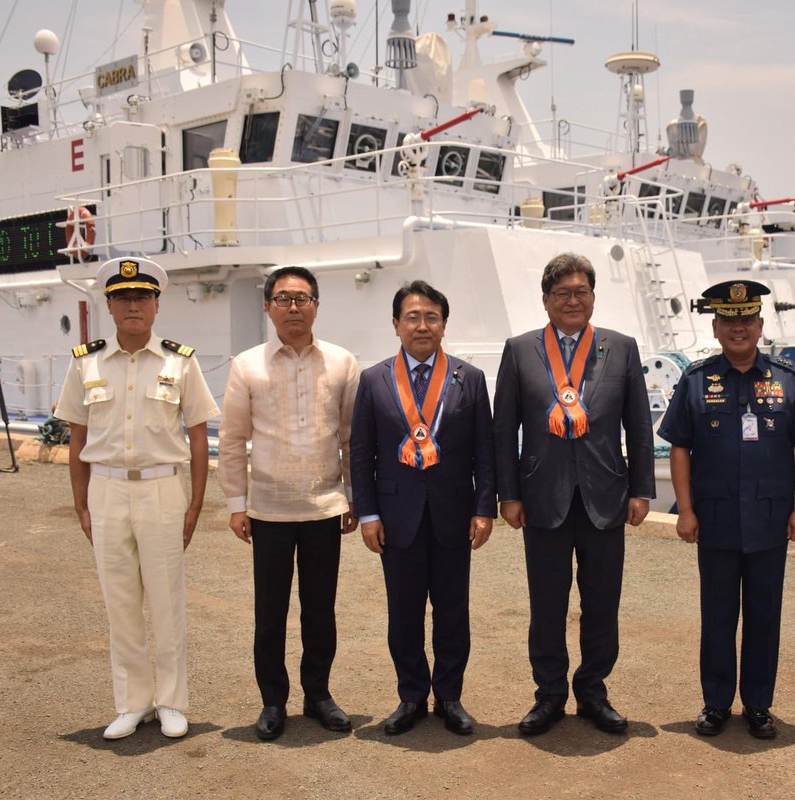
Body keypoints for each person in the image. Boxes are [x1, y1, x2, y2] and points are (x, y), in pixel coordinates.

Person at [657, 280, 795, 739]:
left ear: (760, 324)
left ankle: (758, 705)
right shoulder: (696, 380)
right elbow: (680, 448)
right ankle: (716, 703)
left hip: (770, 521)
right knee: (717, 616)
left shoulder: (788, 379)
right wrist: (685, 510)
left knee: (763, 616)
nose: (739, 328)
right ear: (715, 327)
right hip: (714, 520)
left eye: (747, 320)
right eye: (729, 321)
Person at [493, 252, 655, 736]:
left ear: (593, 297)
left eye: (580, 291)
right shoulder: (519, 350)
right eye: (562, 293)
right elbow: (504, 429)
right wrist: (508, 494)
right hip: (541, 497)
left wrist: (642, 489)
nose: (572, 300)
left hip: (606, 496)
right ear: (546, 300)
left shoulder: (621, 348)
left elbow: (639, 425)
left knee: (602, 602)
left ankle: (592, 691)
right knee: (547, 603)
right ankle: (548, 694)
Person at [57, 256, 218, 740]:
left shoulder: (179, 362)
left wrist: (194, 504)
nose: (133, 305)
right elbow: (77, 437)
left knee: (167, 601)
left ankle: (170, 701)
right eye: (123, 297)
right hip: (106, 489)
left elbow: (197, 437)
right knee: (120, 601)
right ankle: (132, 703)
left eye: (142, 297)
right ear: (109, 305)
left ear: (156, 305)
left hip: (162, 489)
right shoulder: (85, 362)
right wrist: (81, 504)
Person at [217, 266, 361, 741]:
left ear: (316, 305)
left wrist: (353, 497)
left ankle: (318, 695)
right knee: (270, 612)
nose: (293, 307)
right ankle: (273, 701)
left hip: (324, 507)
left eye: (302, 298)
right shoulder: (247, 365)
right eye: (283, 299)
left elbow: (351, 438)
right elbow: (232, 439)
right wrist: (236, 503)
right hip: (268, 510)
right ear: (267, 307)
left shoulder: (342, 362)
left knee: (320, 610)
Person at [350, 281, 496, 736]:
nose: (422, 325)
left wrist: (484, 508)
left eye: (432, 317)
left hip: (454, 515)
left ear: (444, 324)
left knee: (453, 611)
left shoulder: (470, 378)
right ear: (396, 324)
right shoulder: (373, 379)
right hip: (396, 519)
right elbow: (361, 453)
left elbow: (484, 450)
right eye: (412, 317)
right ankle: (411, 696)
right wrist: (368, 514)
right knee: (404, 613)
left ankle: (450, 696)